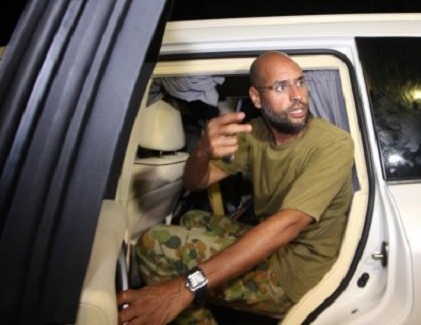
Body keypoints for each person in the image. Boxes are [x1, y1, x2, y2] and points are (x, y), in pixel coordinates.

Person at [117, 51, 355, 325]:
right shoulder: (255, 134)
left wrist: (186, 287)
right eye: (281, 86)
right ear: (256, 97)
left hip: (298, 271)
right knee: (193, 219)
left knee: (154, 243)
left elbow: (288, 225)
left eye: (300, 82)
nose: (297, 95)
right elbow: (196, 182)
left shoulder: (333, 144)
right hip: (278, 246)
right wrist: (202, 152)